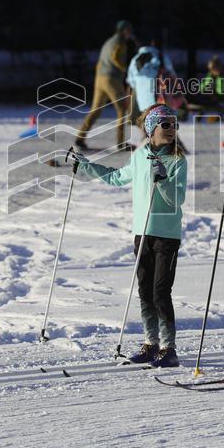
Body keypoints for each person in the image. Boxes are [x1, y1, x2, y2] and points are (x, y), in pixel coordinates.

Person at [70, 104, 187, 368]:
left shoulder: (178, 159)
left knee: (160, 291)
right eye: (166, 124)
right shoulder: (139, 155)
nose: (172, 130)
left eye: (174, 124)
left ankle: (169, 349)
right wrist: (88, 168)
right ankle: (151, 343)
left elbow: (176, 200)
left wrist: (163, 178)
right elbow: (116, 178)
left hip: (167, 235)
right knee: (145, 290)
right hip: (142, 232)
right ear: (151, 128)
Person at [76, 20, 137, 151]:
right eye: (129, 31)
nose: (130, 34)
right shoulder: (120, 42)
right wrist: (124, 68)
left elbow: (99, 62)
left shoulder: (108, 42)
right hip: (111, 79)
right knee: (123, 107)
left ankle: (80, 138)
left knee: (96, 110)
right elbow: (115, 56)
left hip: (99, 78)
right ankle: (121, 143)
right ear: (125, 31)